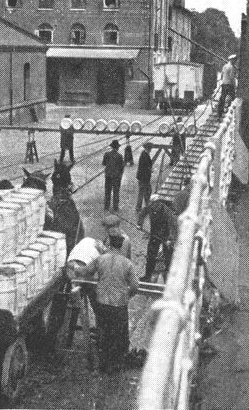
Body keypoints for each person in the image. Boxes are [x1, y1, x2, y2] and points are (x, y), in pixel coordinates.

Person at [70, 231, 139, 373]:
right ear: (121, 247)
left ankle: (104, 364)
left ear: (109, 244)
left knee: (104, 332)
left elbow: (84, 271)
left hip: (102, 302)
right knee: (119, 334)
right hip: (119, 304)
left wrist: (74, 266)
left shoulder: (100, 260)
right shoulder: (127, 264)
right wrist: (127, 296)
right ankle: (117, 364)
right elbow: (135, 286)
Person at [137, 194, 178, 282]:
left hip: (166, 236)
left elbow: (172, 224)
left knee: (168, 257)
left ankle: (168, 278)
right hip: (154, 235)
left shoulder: (166, 211)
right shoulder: (151, 207)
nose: (153, 205)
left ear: (159, 202)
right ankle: (148, 276)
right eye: (151, 203)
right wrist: (139, 224)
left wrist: (170, 239)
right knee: (151, 255)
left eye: (155, 203)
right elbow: (143, 213)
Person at [102, 140, 124, 212]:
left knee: (107, 191)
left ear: (111, 147)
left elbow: (104, 163)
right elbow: (122, 167)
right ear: (117, 147)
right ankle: (115, 207)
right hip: (116, 177)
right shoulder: (120, 156)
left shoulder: (106, 154)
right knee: (116, 192)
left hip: (108, 176)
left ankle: (106, 207)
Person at [218, 54, 238, 121]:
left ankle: (219, 114)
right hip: (229, 85)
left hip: (224, 84)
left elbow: (221, 75)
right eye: (234, 60)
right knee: (233, 98)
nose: (235, 61)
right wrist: (235, 86)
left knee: (222, 98)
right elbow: (232, 78)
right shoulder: (232, 67)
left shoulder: (225, 66)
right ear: (232, 60)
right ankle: (230, 112)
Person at [136, 142, 153, 212]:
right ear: (148, 149)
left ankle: (140, 207)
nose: (151, 150)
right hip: (144, 177)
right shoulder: (145, 156)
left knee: (143, 192)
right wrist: (150, 170)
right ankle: (145, 206)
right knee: (146, 191)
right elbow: (146, 167)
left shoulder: (143, 154)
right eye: (150, 148)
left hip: (141, 177)